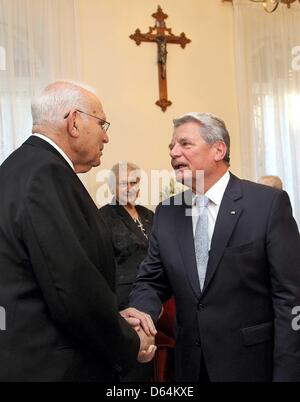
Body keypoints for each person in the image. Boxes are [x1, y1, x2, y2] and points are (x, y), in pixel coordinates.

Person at [123, 112, 300, 382]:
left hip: (252, 365)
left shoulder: (267, 205)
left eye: (185, 143)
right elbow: (151, 280)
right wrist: (141, 315)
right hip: (190, 366)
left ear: (218, 149)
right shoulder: (168, 212)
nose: (173, 152)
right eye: (171, 146)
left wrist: (288, 373)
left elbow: (290, 297)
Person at [0, 81, 156, 381]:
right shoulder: (47, 173)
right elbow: (70, 287)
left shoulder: (19, 167)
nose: (106, 136)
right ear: (74, 122)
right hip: (51, 365)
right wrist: (130, 341)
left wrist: (114, 319)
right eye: (101, 124)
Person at [99, 162, 154, 381]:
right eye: (124, 183)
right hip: (124, 303)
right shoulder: (103, 217)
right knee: (133, 366)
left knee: (152, 362)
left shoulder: (148, 214)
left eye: (134, 182)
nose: (130, 187)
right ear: (112, 187)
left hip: (153, 298)